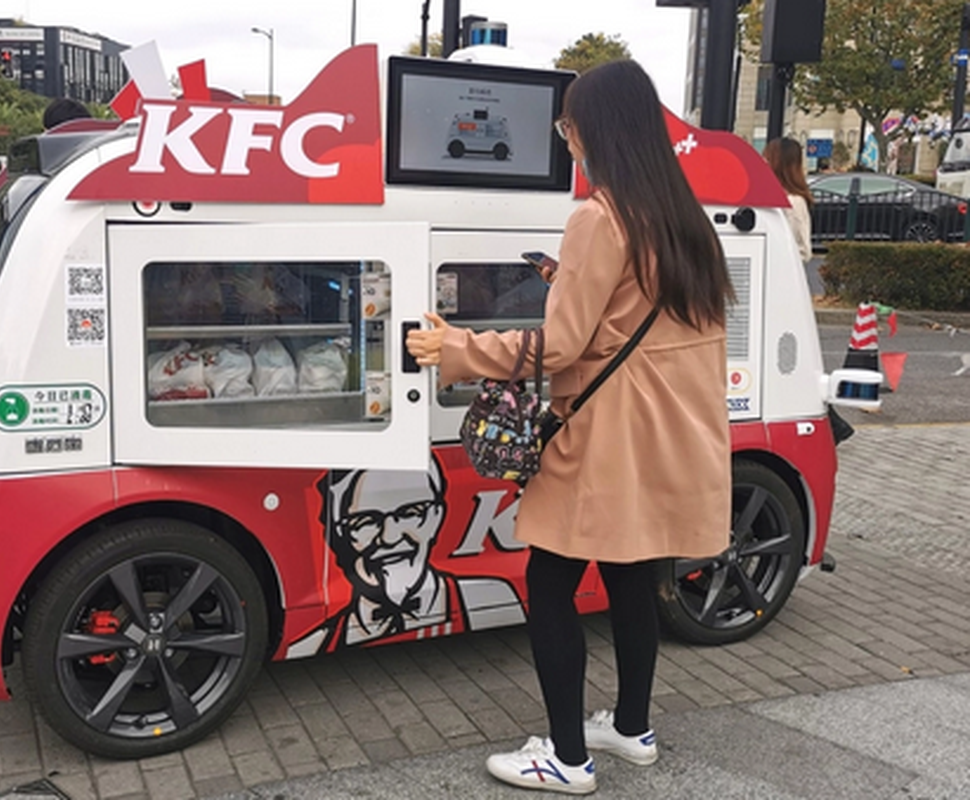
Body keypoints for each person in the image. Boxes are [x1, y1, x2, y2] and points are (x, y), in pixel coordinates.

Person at [406, 59, 732, 796]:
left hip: (602, 444)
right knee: (632, 580)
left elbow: (560, 349)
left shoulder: (598, 215)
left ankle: (566, 759)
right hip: (666, 441)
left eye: (570, 124)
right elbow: (642, 328)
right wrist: (569, 281)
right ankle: (631, 729)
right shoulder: (684, 219)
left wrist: (454, 348)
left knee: (550, 584)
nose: (568, 137)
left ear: (597, 129)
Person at [286, 456, 524, 657]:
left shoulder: (494, 592)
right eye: (366, 521)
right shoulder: (315, 640)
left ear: (437, 517)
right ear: (339, 533)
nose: (390, 537)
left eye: (411, 513)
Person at [763, 138, 814, 262]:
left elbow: (803, 250)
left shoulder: (794, 202)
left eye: (767, 157)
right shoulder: (769, 196)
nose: (763, 161)